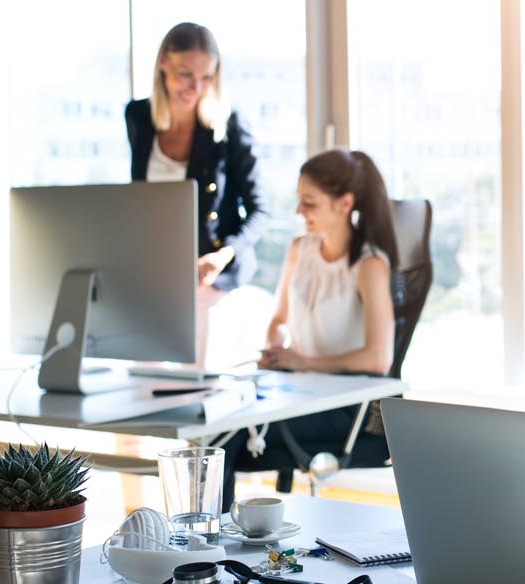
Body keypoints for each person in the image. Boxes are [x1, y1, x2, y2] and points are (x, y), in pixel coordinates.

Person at [221, 149, 398, 509]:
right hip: (297, 393)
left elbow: (378, 358)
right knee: (216, 424)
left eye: (309, 203)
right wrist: (274, 350)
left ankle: (207, 549)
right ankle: (206, 546)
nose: (299, 212)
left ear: (344, 203)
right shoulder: (300, 249)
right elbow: (278, 320)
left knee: (225, 441)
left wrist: (302, 362)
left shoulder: (369, 265)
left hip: (347, 408)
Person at [125, 22, 267, 366]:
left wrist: (224, 255)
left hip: (211, 273)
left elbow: (259, 211)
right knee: (144, 381)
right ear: (163, 66)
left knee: (197, 385)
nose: (196, 87)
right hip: (157, 270)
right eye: (185, 75)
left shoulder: (228, 126)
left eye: (207, 78)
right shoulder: (139, 117)